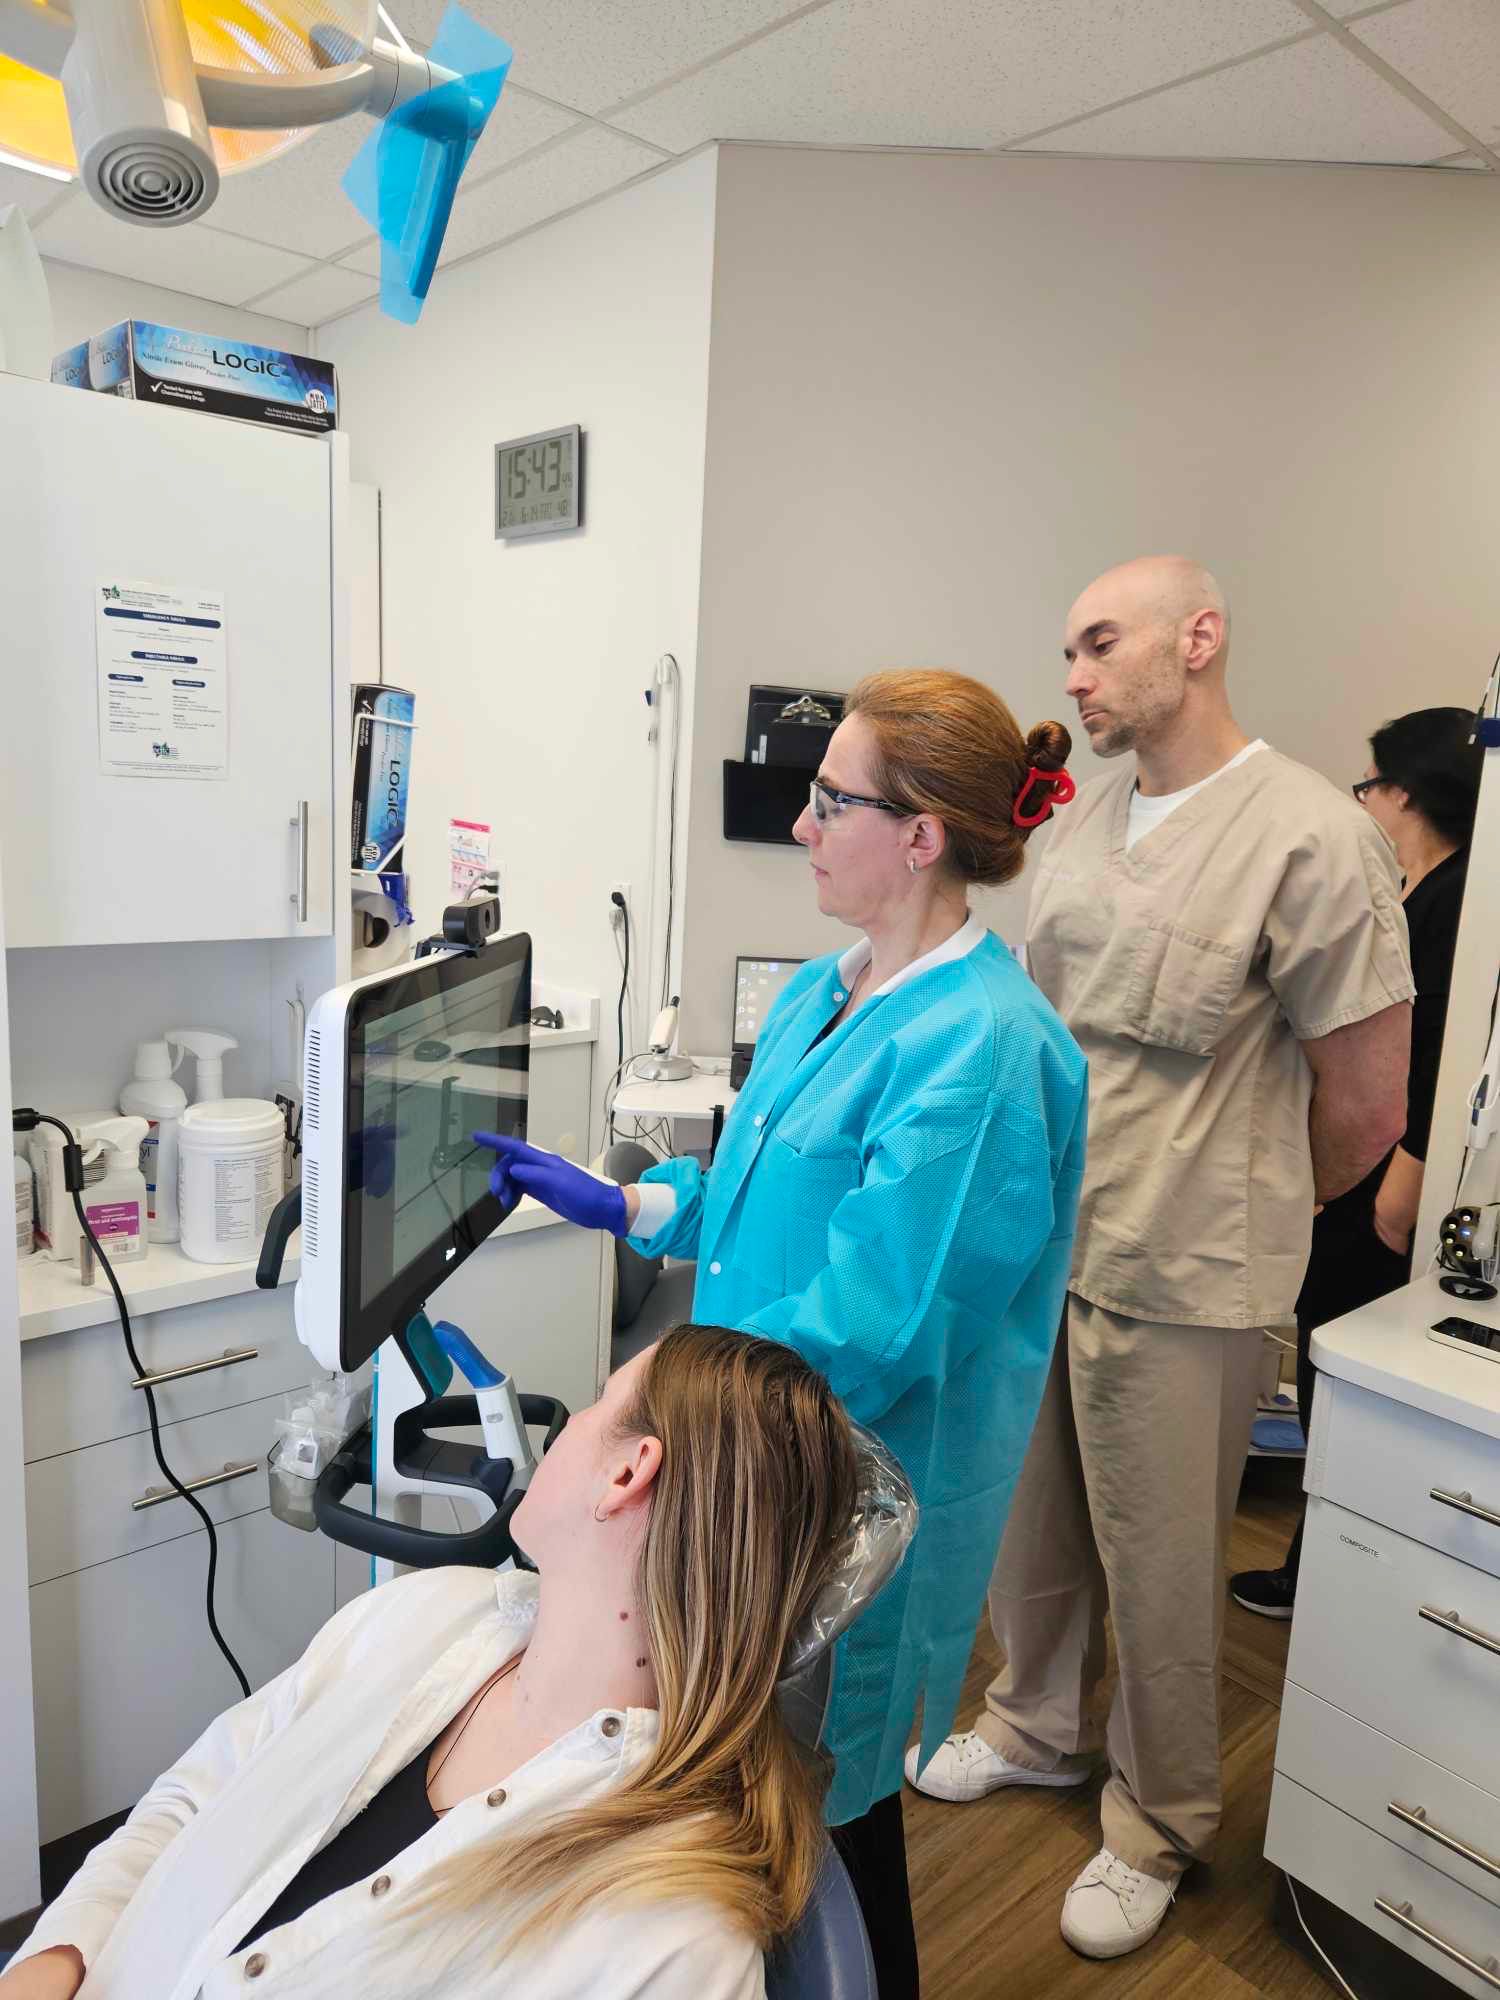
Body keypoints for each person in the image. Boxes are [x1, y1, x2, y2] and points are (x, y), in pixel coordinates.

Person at [477, 668, 1090, 1998]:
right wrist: (630, 1197)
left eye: (830, 802)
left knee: (826, 1821)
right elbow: (759, 1201)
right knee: (752, 1805)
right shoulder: (830, 989)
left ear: (921, 835)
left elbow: (874, 1325)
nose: (802, 826)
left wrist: (647, 1403)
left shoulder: (983, 1049)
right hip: (741, 1457)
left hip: (840, 1494)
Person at [907, 557, 1415, 1961]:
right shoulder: (1083, 822)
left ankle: (1159, 1819)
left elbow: (1370, 1101)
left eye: (1097, 643)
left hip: (1186, 1266)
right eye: (1065, 648)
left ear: (1198, 638)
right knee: (1035, 1524)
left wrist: (1242, 1212)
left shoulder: (1312, 834)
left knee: (1165, 1557)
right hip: (1047, 1236)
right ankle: (1037, 1725)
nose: (1070, 677)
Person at [1, 1326, 862, 2000]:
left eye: (601, 1403)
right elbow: (194, 1794)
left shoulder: (670, 1942)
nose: (572, 1425)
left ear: (630, 1472)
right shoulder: (431, 1611)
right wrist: (59, 1951)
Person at [1232, 705, 1482, 1617]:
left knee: (1344, 1365)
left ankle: (1329, 1571)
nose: (1362, 801)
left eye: (1368, 785)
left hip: (1388, 1178)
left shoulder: (1457, 902)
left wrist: (1402, 1178)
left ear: (1403, 792)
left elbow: (1437, 1051)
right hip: (1367, 1171)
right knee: (1330, 1361)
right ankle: (1321, 1562)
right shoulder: (1424, 893)